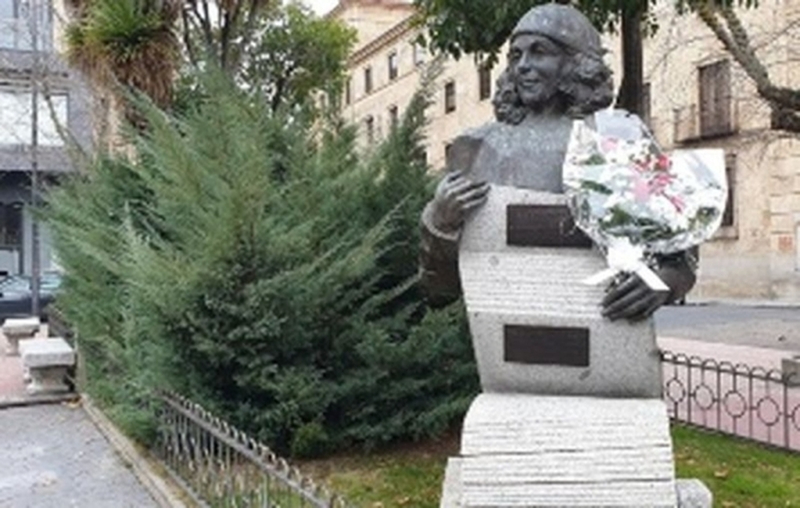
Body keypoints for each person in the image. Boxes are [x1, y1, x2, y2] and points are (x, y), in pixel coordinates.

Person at [419, 3, 696, 320]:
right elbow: (439, 288)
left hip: (599, 334)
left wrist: (664, 282)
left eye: (539, 52)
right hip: (501, 332)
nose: (523, 65)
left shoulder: (620, 142)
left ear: (575, 63)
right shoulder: (477, 147)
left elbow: (680, 253)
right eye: (516, 55)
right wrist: (440, 223)